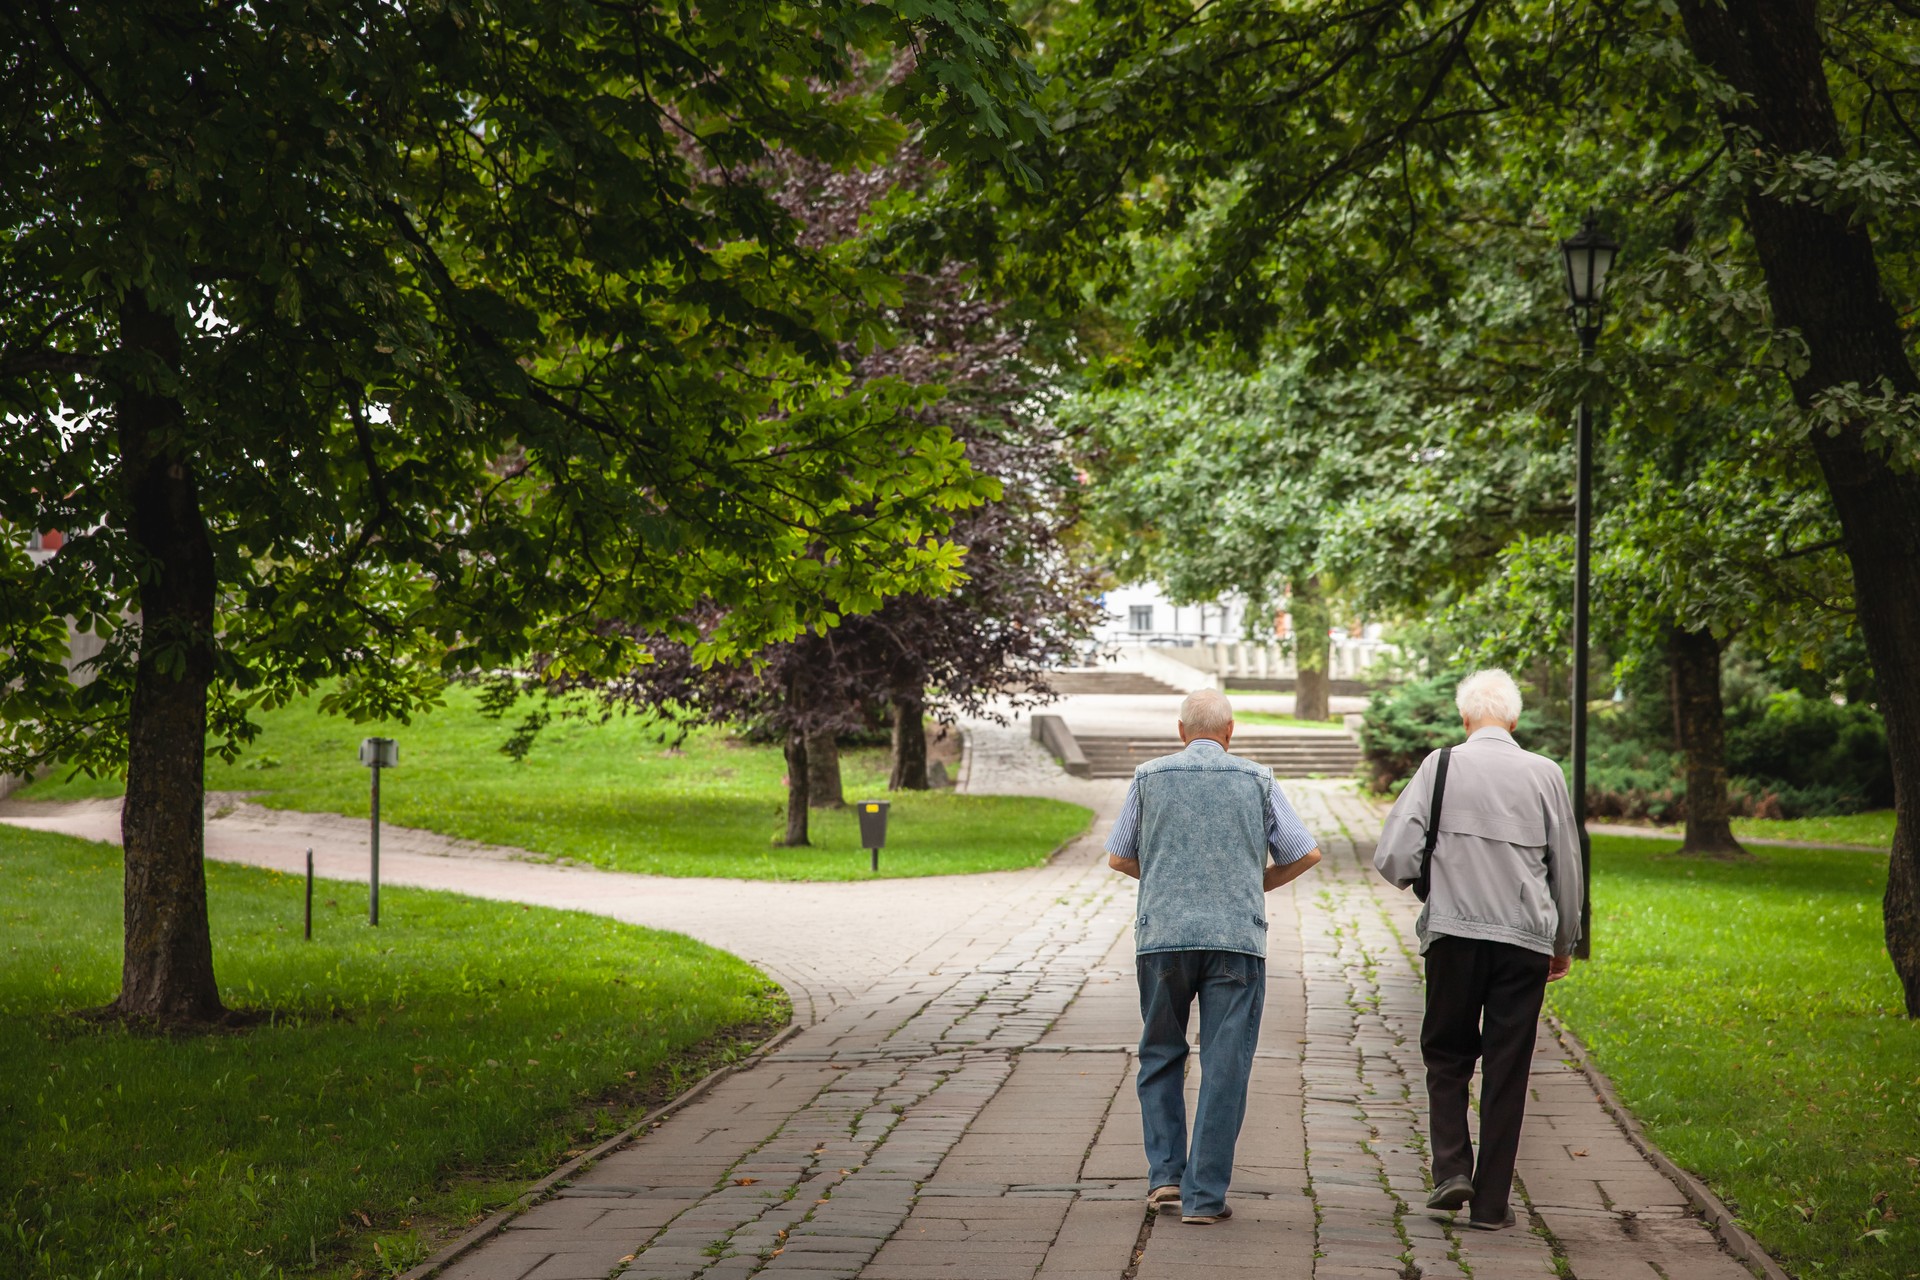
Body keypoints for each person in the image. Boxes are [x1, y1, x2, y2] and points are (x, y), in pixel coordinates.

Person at [1373, 669, 1583, 1231]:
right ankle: (1492, 1204)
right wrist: (1563, 944)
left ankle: (1450, 1169)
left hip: (1454, 936)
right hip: (1523, 944)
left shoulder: (1440, 766)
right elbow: (1567, 867)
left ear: (1465, 719)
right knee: (1508, 1068)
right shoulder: (1546, 775)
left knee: (1446, 1055)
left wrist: (1436, 874)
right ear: (1513, 721)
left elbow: (1394, 857)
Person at [1106, 687, 1323, 1225]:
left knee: (1160, 1054)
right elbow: (1306, 851)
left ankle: (1165, 1179)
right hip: (1235, 941)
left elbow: (1118, 856)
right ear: (1231, 733)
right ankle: (1204, 1198)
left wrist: (1162, 879)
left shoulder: (1148, 777)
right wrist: (1257, 882)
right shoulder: (1257, 778)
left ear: (1181, 733)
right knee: (1225, 1065)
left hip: (1162, 939)